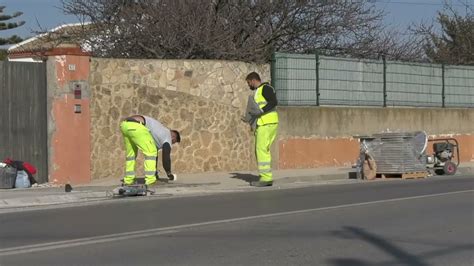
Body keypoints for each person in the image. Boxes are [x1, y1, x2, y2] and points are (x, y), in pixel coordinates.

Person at [120, 115, 180, 186]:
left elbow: (155, 157)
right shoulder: (168, 137)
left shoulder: (160, 133)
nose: (172, 143)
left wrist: (155, 174)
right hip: (137, 126)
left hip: (125, 125)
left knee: (131, 156)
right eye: (174, 142)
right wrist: (169, 173)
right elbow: (166, 157)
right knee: (151, 153)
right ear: (173, 137)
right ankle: (150, 180)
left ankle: (128, 180)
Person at [243, 72, 279, 187]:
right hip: (266, 123)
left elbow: (274, 102)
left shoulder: (265, 88)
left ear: (253, 80)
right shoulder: (260, 90)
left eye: (249, 83)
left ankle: (266, 178)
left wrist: (261, 111)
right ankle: (266, 176)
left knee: (261, 150)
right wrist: (249, 118)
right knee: (263, 150)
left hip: (266, 123)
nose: (249, 85)